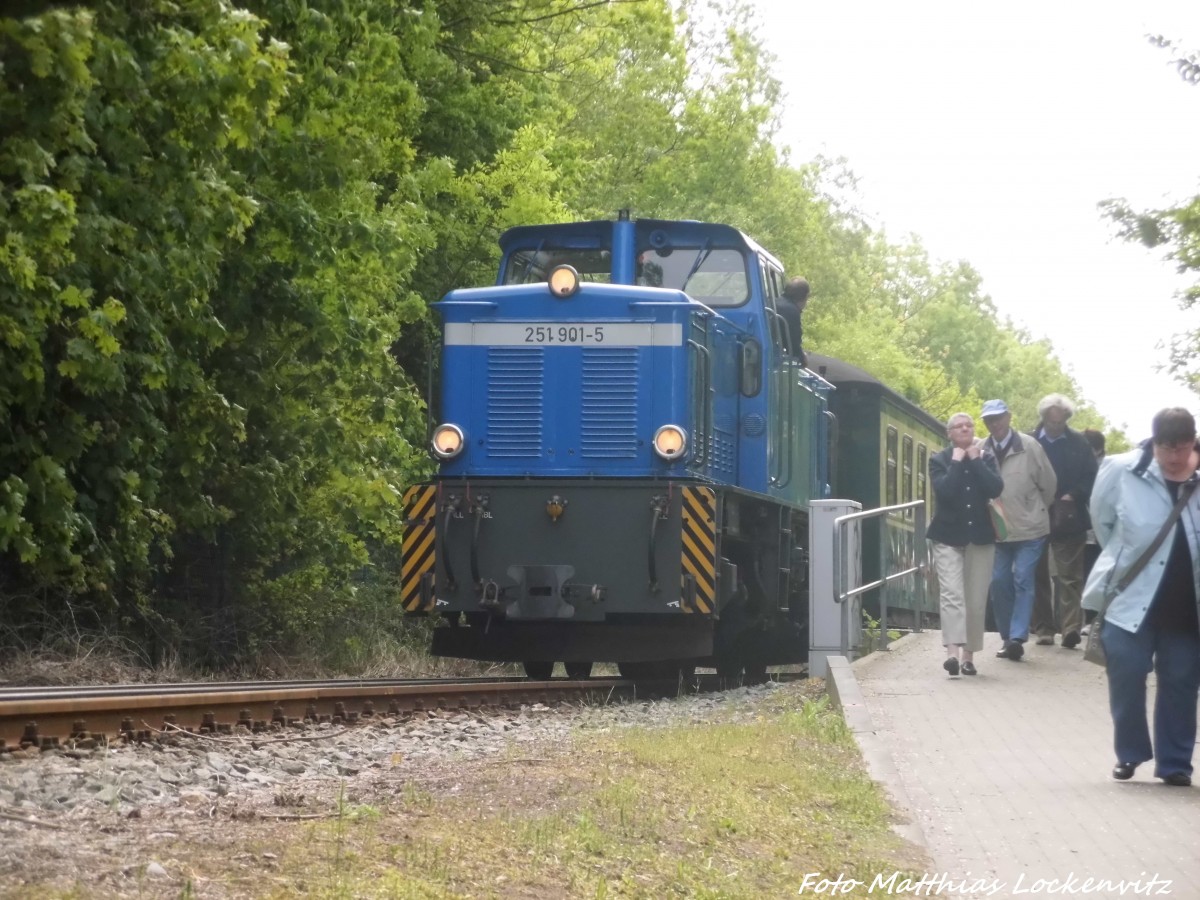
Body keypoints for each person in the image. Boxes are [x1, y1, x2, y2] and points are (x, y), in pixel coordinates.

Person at [1084, 408, 1200, 787]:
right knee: (1127, 673)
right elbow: (1102, 522)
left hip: (1186, 601)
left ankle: (1175, 763)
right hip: (1130, 595)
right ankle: (1130, 753)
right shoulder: (1121, 470)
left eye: (1183, 448)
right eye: (1168, 448)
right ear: (1154, 442)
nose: (1175, 457)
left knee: (1182, 679)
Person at [927, 412, 1005, 676]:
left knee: (975, 600)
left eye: (969, 425)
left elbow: (995, 488)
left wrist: (975, 460)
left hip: (980, 538)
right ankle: (952, 654)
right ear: (949, 433)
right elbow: (945, 492)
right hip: (947, 537)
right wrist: (958, 463)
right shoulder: (939, 460)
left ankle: (968, 657)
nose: (965, 429)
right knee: (952, 595)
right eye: (958, 427)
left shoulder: (986, 459)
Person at [980, 399, 1057, 660]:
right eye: (989, 420)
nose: (995, 423)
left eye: (999, 417)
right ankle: (1006, 637)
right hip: (997, 531)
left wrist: (1032, 510)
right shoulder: (981, 450)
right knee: (999, 582)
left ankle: (1017, 637)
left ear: (1009, 417)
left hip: (1030, 529)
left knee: (1023, 577)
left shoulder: (1030, 446)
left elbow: (1049, 485)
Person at [1030, 394, 1100, 649]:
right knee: (1037, 575)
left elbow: (1092, 476)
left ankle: (1070, 628)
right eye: (1051, 422)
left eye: (1059, 423)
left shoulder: (1079, 444)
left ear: (1067, 420)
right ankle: (1044, 629)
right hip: (1035, 516)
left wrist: (1075, 494)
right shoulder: (1029, 442)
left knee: (1070, 577)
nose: (1055, 427)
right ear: (1044, 418)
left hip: (1069, 517)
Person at [1081, 428, 1107, 589]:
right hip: (1094, 534)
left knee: (1091, 578)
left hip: (1096, 534)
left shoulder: (1103, 470)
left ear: (1096, 450)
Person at [779, 277, 809, 365]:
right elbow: (793, 345)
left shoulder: (772, 302)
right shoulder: (792, 311)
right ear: (805, 297)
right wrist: (803, 358)